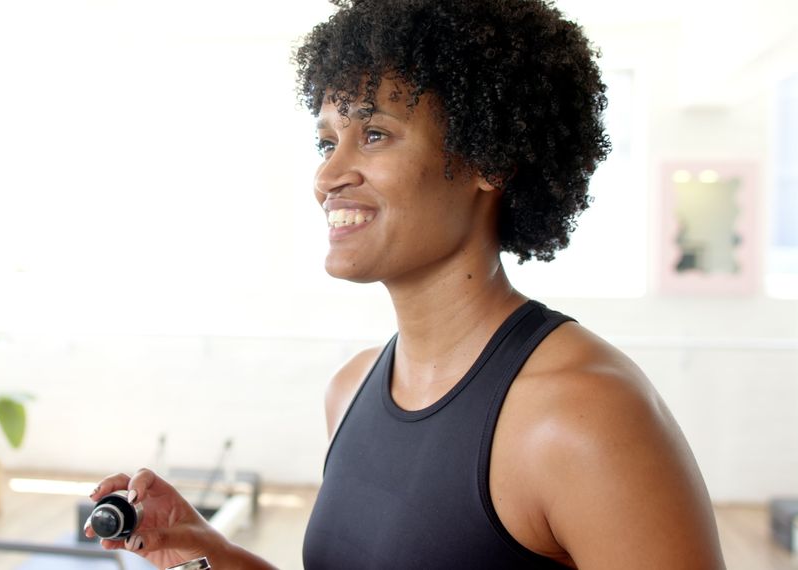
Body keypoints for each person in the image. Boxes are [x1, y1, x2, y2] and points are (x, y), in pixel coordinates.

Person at [87, 0, 726, 567]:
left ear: (487, 158)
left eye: (373, 135)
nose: (328, 175)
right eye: (327, 140)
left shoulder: (585, 416)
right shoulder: (351, 389)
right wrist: (213, 553)